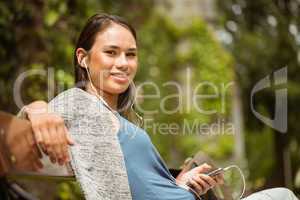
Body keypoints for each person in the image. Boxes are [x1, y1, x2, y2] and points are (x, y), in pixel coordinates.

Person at [21, 14, 298, 200]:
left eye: (130, 54)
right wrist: (37, 109)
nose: (123, 63)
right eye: (111, 52)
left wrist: (178, 184)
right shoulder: (81, 103)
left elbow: (143, 184)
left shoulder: (122, 119)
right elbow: (31, 121)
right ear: (83, 58)